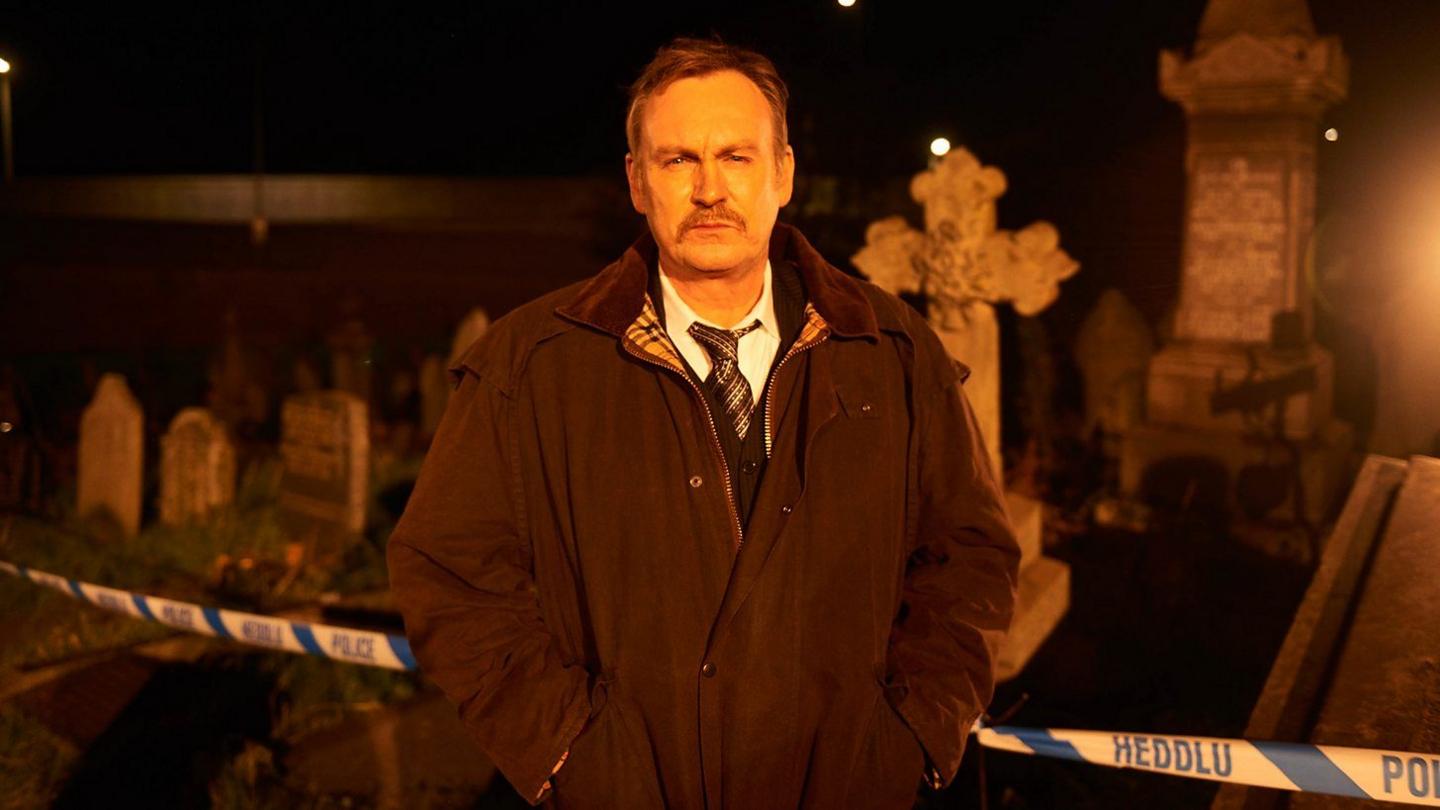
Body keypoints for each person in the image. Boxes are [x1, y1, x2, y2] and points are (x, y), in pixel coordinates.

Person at [388, 36, 1019, 810]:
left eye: (737, 157)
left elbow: (971, 557)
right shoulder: (529, 367)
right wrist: (565, 750)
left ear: (783, 173)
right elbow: (451, 573)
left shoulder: (892, 354)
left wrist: (912, 733)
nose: (710, 189)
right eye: (679, 160)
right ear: (637, 182)